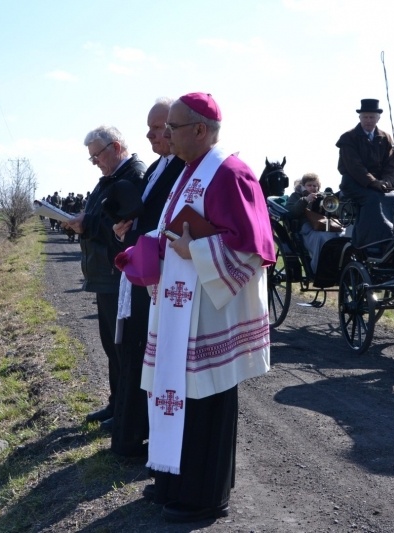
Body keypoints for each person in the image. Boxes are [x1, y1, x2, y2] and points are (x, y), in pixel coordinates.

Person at [139, 92, 274, 523]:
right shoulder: (188, 171)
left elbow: (250, 248)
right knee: (174, 393)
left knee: (206, 400)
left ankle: (206, 497)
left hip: (208, 311)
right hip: (181, 303)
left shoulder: (230, 173)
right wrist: (151, 250)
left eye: (172, 127)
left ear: (200, 130)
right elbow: (174, 227)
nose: (165, 135)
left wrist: (193, 250)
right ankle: (173, 481)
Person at [109, 98, 186, 458]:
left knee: (148, 357)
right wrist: (124, 229)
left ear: (174, 128)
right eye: (151, 128)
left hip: (161, 278)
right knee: (132, 353)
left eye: (156, 128)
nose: (150, 134)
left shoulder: (184, 169)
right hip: (142, 270)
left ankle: (143, 438)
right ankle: (128, 434)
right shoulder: (157, 167)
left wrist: (139, 233)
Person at [62, 126, 146, 429]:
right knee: (112, 346)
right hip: (106, 274)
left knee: (124, 348)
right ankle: (115, 404)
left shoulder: (133, 177)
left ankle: (126, 413)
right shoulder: (110, 179)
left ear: (116, 147)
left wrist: (87, 224)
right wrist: (86, 221)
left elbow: (122, 228)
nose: (95, 162)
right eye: (92, 157)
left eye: (97, 155)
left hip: (119, 274)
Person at [336, 98, 394, 259]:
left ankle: (393, 239)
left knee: (392, 197)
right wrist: (373, 182)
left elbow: (391, 164)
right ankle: (369, 243)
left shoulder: (385, 138)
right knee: (372, 199)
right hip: (353, 182)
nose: (368, 120)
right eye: (365, 117)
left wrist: (387, 181)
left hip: (379, 184)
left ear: (378, 118)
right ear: (360, 118)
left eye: (372, 117)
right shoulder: (348, 138)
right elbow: (354, 167)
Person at [286, 172, 343, 276]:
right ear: (303, 186)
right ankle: (319, 270)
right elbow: (291, 212)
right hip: (306, 229)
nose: (312, 188)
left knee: (341, 236)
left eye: (315, 186)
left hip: (324, 226)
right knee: (322, 238)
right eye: (309, 185)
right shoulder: (296, 195)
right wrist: (305, 200)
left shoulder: (322, 197)